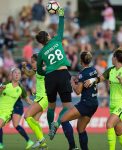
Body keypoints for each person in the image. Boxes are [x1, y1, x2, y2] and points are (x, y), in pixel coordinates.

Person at [36, 8, 78, 150]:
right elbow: (61, 27)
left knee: (51, 107)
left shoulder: (41, 53)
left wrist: (46, 71)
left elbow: (39, 71)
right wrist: (61, 14)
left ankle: (50, 127)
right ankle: (57, 124)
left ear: (41, 42)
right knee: (68, 107)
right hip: (62, 74)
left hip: (50, 77)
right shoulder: (57, 39)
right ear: (48, 36)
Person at [84, 49, 122, 150]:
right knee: (119, 132)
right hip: (113, 105)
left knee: (109, 124)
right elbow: (101, 78)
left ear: (116, 58)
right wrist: (92, 80)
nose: (111, 58)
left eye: (112, 57)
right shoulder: (111, 70)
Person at [60, 51, 98, 150]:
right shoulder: (93, 70)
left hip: (86, 103)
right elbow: (87, 81)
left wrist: (72, 82)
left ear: (81, 61)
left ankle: (73, 147)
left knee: (63, 120)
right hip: (94, 102)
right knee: (81, 129)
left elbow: (78, 91)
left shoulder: (83, 73)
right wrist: (78, 80)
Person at [0, 68, 34, 149]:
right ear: (11, 75)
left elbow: (28, 100)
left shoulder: (21, 89)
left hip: (6, 113)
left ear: (20, 76)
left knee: (13, 124)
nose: (17, 75)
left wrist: (38, 105)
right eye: (15, 73)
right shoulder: (5, 84)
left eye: (19, 73)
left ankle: (1, 144)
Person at [22, 54, 48, 149]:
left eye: (33, 62)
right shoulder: (37, 69)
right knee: (35, 121)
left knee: (27, 116)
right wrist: (24, 67)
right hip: (40, 97)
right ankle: (43, 145)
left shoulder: (45, 69)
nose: (31, 64)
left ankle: (41, 139)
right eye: (31, 62)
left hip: (43, 98)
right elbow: (28, 74)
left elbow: (51, 80)